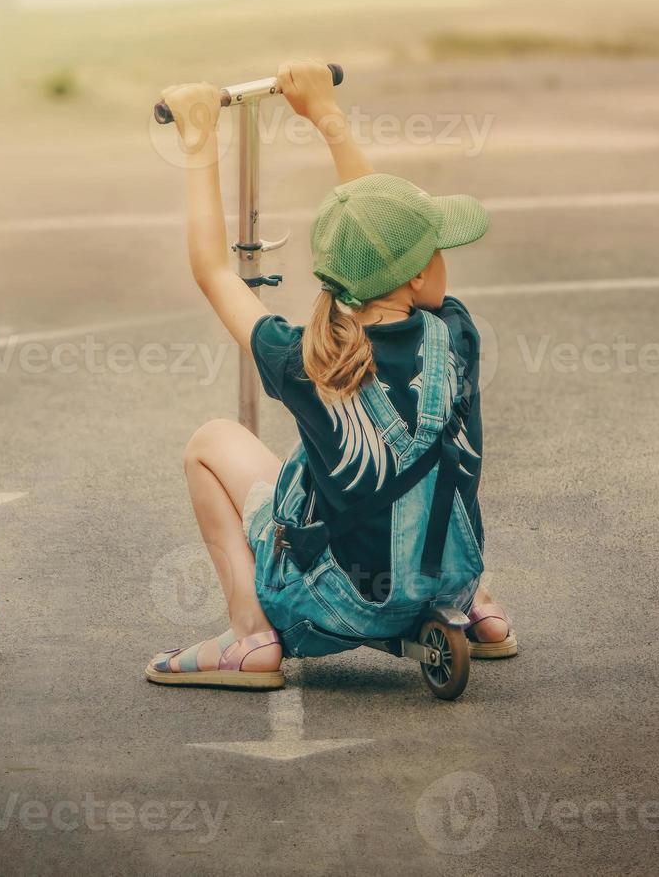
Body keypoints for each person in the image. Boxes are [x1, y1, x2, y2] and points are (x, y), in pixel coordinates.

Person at [146, 60, 516, 690]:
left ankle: (251, 637)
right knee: (421, 467)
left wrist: (198, 142)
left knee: (211, 443)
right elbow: (383, 232)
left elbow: (213, 270)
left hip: (332, 606)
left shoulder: (304, 358)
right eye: (438, 249)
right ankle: (470, 606)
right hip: (449, 580)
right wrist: (328, 120)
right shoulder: (455, 335)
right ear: (420, 276)